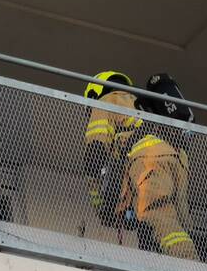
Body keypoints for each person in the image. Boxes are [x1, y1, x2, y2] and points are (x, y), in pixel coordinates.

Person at [84, 71, 197, 261]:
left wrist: (102, 204)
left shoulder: (107, 100)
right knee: (178, 221)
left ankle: (189, 265)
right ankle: (176, 262)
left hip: (148, 160)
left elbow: (96, 148)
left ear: (94, 94)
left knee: (156, 214)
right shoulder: (144, 103)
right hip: (178, 161)